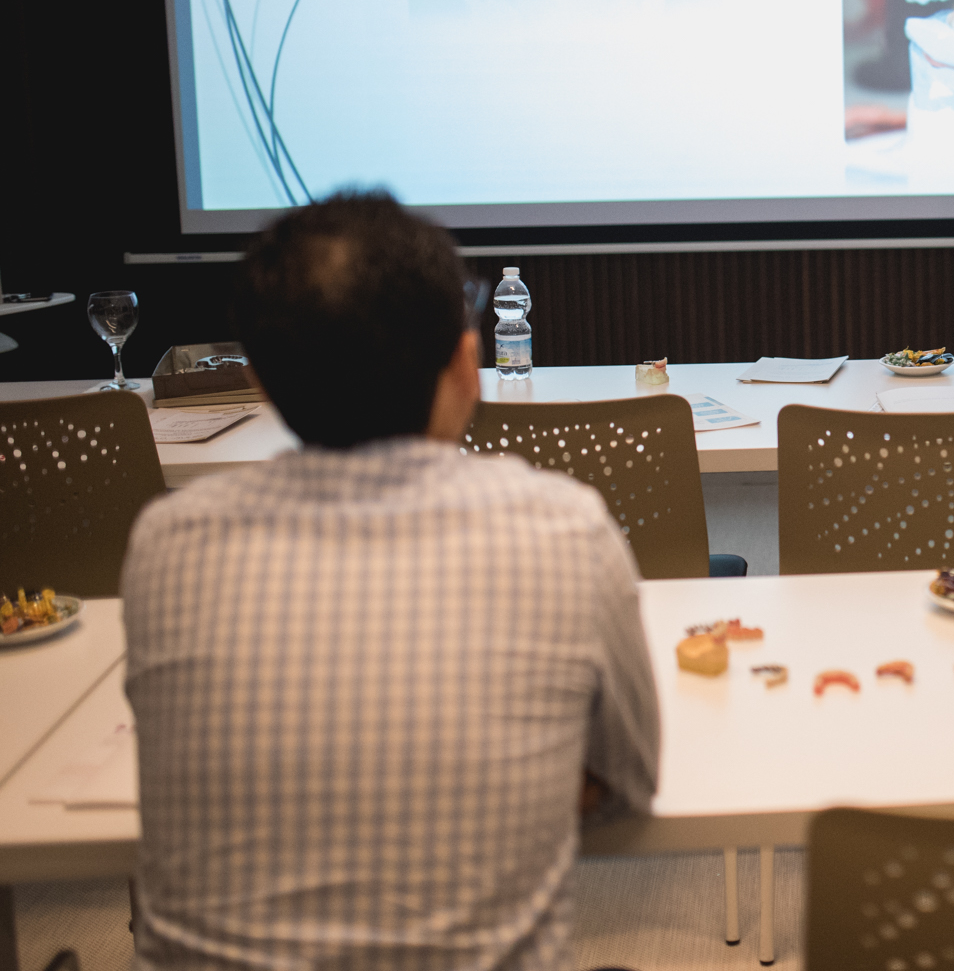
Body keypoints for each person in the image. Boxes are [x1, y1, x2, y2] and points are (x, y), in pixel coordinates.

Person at [122, 192, 661, 970]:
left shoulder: (167, 543)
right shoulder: (566, 529)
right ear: (467, 363)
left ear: (266, 387)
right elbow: (625, 784)